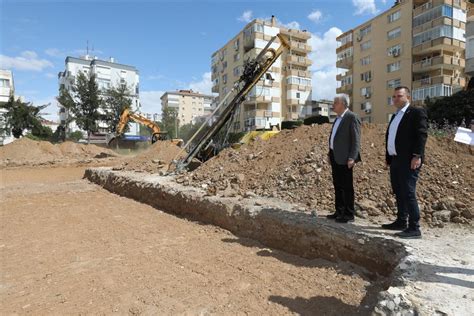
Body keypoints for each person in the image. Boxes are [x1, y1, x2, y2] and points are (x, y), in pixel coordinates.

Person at [382, 86, 427, 239]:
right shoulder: (395, 116)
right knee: (399, 191)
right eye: (394, 96)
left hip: (409, 160)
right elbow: (391, 137)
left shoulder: (415, 112)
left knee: (408, 193)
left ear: (408, 97)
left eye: (399, 96)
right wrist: (389, 158)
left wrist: (417, 155)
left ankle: (414, 228)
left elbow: (421, 135)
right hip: (396, 160)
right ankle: (401, 221)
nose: (395, 99)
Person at [326, 94, 361, 223]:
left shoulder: (352, 117)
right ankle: (339, 211)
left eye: (335, 102)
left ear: (343, 104)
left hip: (346, 158)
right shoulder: (338, 118)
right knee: (338, 185)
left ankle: (349, 214)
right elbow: (334, 138)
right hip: (335, 157)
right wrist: (330, 154)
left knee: (347, 187)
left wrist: (352, 157)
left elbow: (356, 140)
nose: (333, 105)